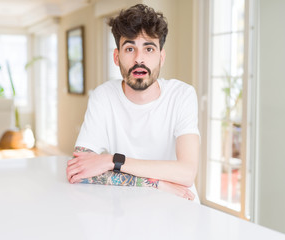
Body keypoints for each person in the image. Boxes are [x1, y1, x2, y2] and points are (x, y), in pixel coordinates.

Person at [66, 4, 200, 202]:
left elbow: (186, 173)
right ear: (116, 56)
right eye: (130, 48)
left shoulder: (182, 95)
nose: (139, 59)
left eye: (149, 49)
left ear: (161, 58)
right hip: (126, 209)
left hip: (179, 205)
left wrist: (112, 161)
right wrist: (156, 184)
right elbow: (78, 171)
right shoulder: (102, 97)